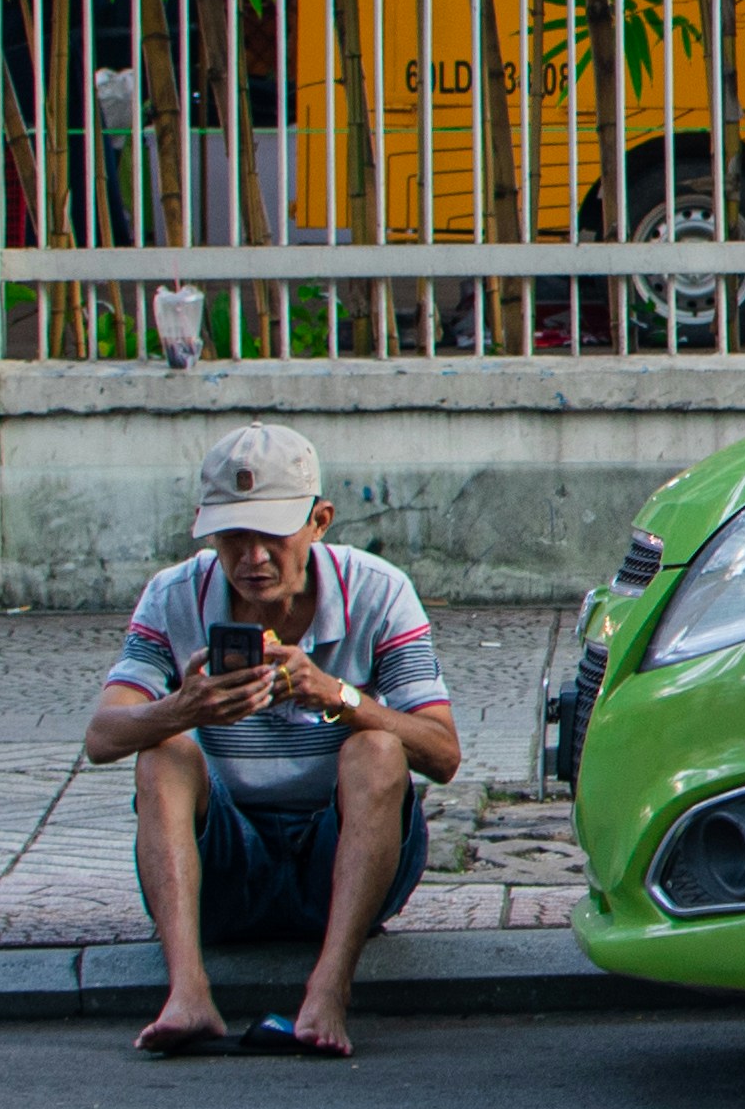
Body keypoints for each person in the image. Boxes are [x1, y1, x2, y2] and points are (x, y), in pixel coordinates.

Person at [85, 425, 462, 1059]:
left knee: (377, 747)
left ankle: (329, 991)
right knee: (164, 748)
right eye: (234, 536)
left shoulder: (379, 591)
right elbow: (101, 737)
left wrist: (337, 697)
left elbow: (443, 754)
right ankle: (187, 994)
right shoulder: (174, 595)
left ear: (320, 522)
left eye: (272, 535)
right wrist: (183, 706)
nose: (253, 558)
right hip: (225, 867)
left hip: (341, 861)